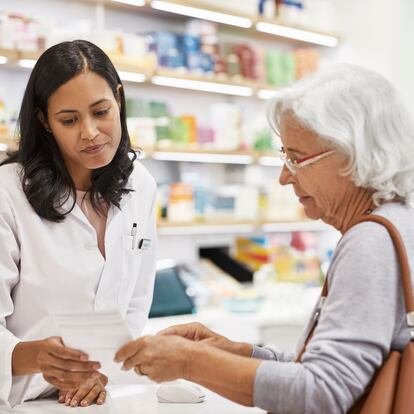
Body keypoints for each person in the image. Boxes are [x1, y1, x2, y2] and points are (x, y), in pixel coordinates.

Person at [114, 64, 414, 413]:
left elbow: (322, 393)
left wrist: (191, 362)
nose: (285, 177)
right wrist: (237, 354)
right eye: (284, 156)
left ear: (352, 154)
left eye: (297, 158)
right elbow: (327, 369)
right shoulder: (399, 220)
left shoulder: (371, 241)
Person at [0, 40, 157, 409]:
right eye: (69, 120)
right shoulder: (9, 191)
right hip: (20, 400)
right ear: (44, 120)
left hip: (98, 397)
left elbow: (134, 306)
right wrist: (33, 356)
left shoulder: (141, 184)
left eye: (101, 111)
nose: (89, 132)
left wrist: (99, 374)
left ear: (119, 99)